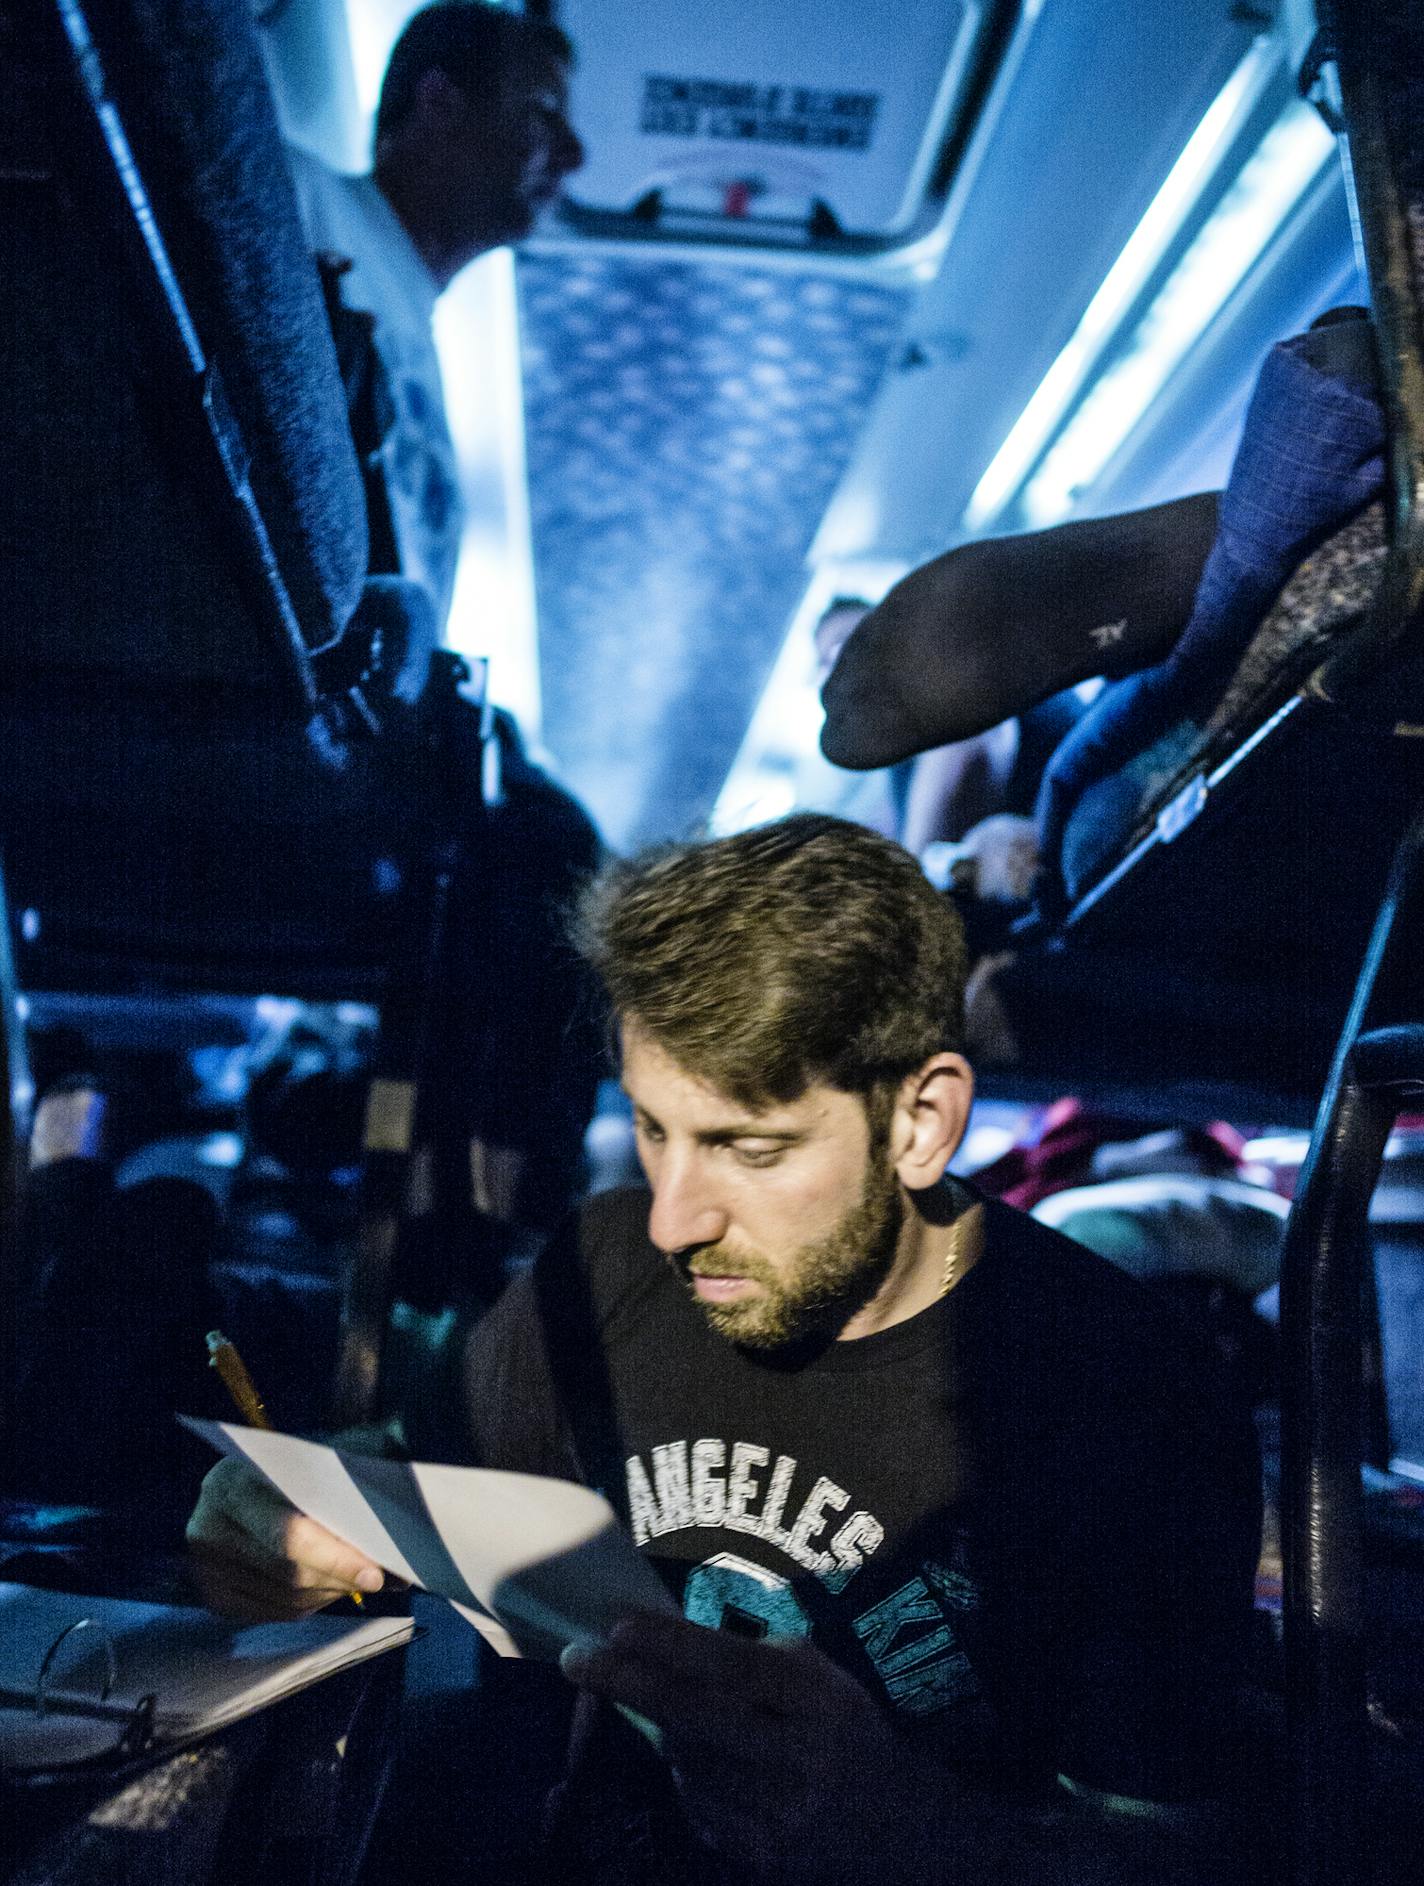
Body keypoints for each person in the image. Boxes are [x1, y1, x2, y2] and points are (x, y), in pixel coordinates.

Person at [188, 814, 1261, 1884]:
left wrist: (919, 1831)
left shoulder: (1128, 1398)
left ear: (921, 1121)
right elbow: (430, 1476)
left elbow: (1186, 1854)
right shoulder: (606, 1270)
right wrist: (286, 1518)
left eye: (745, 1147)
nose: (671, 1219)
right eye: (654, 1127)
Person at [284, 1, 584, 625]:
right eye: (545, 112)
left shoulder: (416, 330)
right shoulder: (294, 195)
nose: (574, 154)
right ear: (440, 100)